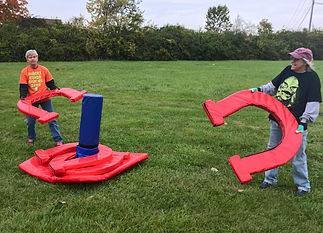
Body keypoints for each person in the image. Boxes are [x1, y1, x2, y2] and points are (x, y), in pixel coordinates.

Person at [250, 47, 321, 196]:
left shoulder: (312, 78)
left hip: (296, 125)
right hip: (277, 119)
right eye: (293, 58)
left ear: (305, 61)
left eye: (296, 59)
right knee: (273, 148)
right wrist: (259, 89)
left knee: (298, 154)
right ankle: (269, 179)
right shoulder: (287, 70)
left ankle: (303, 186)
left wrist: (303, 122)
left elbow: (313, 102)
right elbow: (273, 86)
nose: (292, 61)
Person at [19, 49, 63, 146]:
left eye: (34, 56)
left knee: (51, 118)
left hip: (45, 98)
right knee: (30, 121)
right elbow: (23, 86)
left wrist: (55, 89)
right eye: (30, 57)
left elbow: (50, 82)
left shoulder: (44, 69)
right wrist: (23, 97)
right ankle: (31, 137)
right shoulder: (24, 71)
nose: (32, 59)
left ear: (37, 58)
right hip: (32, 100)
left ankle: (58, 139)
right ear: (27, 60)